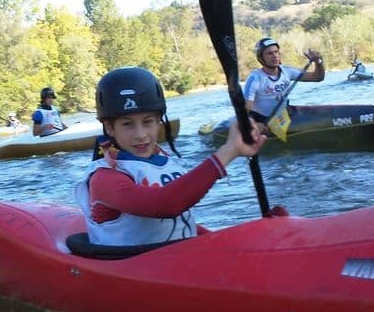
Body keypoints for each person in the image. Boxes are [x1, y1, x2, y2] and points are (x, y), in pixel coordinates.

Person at [75, 67, 265, 247]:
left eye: (148, 122)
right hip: (131, 270)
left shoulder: (165, 162)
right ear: (109, 128)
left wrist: (241, 242)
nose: (141, 134)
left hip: (172, 264)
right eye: (127, 124)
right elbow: (167, 204)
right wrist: (228, 151)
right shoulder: (105, 178)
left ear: (159, 122)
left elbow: (183, 224)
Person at [244, 37, 325, 124]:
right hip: (262, 119)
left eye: (276, 52)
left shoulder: (287, 71)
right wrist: (254, 124)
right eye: (270, 53)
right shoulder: (255, 79)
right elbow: (245, 110)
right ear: (261, 58)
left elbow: (318, 77)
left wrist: (318, 61)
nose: (275, 56)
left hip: (283, 116)